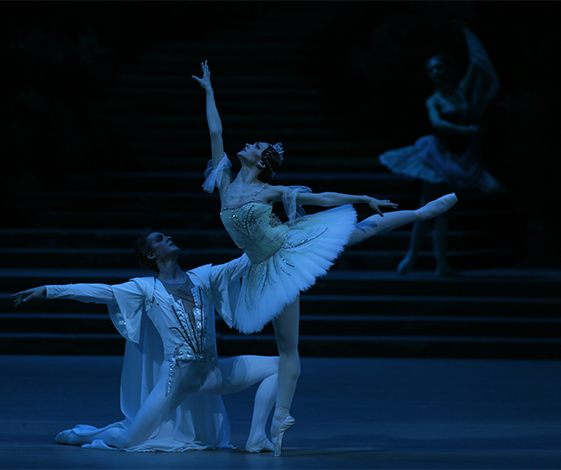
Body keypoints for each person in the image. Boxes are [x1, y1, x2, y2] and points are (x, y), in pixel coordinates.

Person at [192, 60, 458, 455]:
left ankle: (420, 214)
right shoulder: (225, 183)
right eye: (251, 142)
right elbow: (216, 131)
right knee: (286, 348)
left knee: (359, 232)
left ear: (263, 162)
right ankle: (278, 421)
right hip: (262, 268)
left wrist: (362, 198)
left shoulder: (268, 191)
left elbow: (322, 198)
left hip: (289, 250)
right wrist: (209, 90)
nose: (248, 144)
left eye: (257, 146)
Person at [13, 229, 279, 453]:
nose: (168, 238)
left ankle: (257, 436)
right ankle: (82, 436)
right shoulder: (145, 288)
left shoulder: (203, 277)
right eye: (160, 239)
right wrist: (49, 290)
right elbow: (99, 292)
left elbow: (246, 261)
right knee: (130, 441)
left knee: (281, 366)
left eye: (167, 235)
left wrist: (278, 230)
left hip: (212, 373)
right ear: (151, 254)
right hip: (176, 379)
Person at [378, 22, 503, 277]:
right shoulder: (434, 99)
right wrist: (467, 131)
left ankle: (438, 262)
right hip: (438, 156)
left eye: (439, 67)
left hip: (459, 157)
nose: (436, 72)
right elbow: (437, 123)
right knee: (428, 209)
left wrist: (471, 40)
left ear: (446, 69)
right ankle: (415, 256)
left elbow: (477, 67)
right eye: (432, 69)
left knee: (442, 211)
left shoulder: (461, 90)